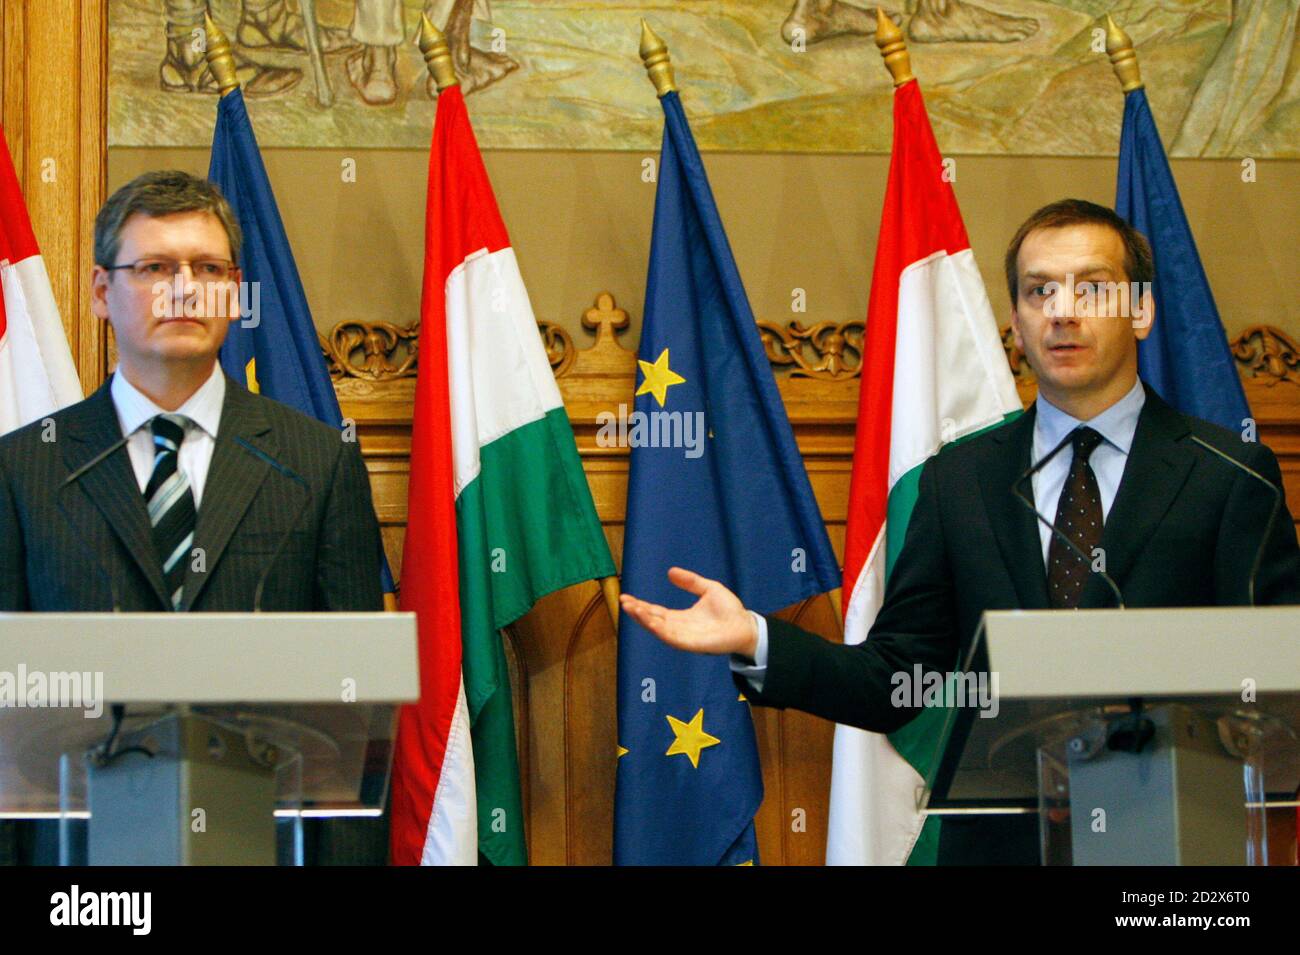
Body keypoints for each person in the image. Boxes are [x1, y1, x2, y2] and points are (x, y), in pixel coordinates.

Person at [619, 198, 1300, 865]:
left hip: (1170, 850)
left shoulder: (1230, 476)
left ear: (1141, 309)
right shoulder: (961, 480)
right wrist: (756, 638)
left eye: (1092, 288)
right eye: (1039, 291)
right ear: (1016, 318)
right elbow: (897, 677)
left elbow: (1273, 684)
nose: (1062, 310)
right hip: (998, 847)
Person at [0, 170, 386, 864]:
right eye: (153, 266)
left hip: (262, 843)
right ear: (100, 291)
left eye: (206, 268)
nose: (183, 287)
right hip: (79, 866)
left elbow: (348, 707)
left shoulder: (319, 462)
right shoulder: (25, 467)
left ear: (233, 293)